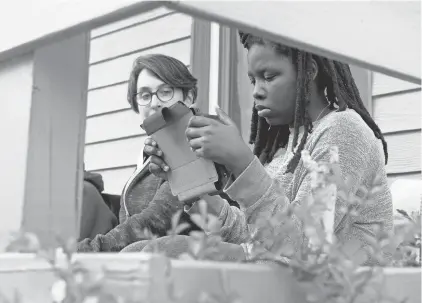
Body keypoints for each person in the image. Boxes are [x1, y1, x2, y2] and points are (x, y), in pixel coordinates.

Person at [143, 32, 393, 265]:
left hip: (333, 288)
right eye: (253, 80)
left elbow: (301, 247)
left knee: (163, 252)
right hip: (281, 278)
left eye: (269, 77)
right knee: (141, 253)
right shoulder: (287, 148)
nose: (256, 92)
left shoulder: (342, 129)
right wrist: (188, 182)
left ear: (309, 72)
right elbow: (251, 234)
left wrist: (242, 163)